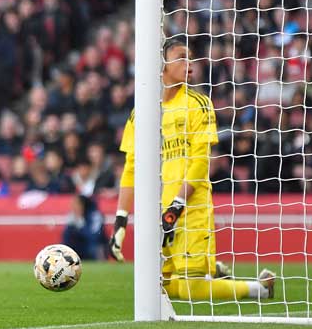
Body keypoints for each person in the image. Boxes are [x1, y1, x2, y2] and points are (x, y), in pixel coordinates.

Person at [109, 35, 275, 301]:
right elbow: (131, 169)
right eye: (181, 57)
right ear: (161, 65)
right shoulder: (140, 113)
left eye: (191, 57)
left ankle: (259, 289)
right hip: (156, 212)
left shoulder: (199, 104)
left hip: (190, 207)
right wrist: (120, 221)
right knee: (153, 289)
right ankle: (214, 271)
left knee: (189, 289)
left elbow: (201, 162)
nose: (190, 63)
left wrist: (176, 205)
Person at [62, 193, 106, 261]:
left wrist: (81, 226)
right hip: (81, 246)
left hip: (94, 246)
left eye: (76, 204)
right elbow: (65, 239)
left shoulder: (95, 215)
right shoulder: (73, 216)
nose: (73, 207)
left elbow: (94, 236)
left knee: (94, 248)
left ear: (83, 205)